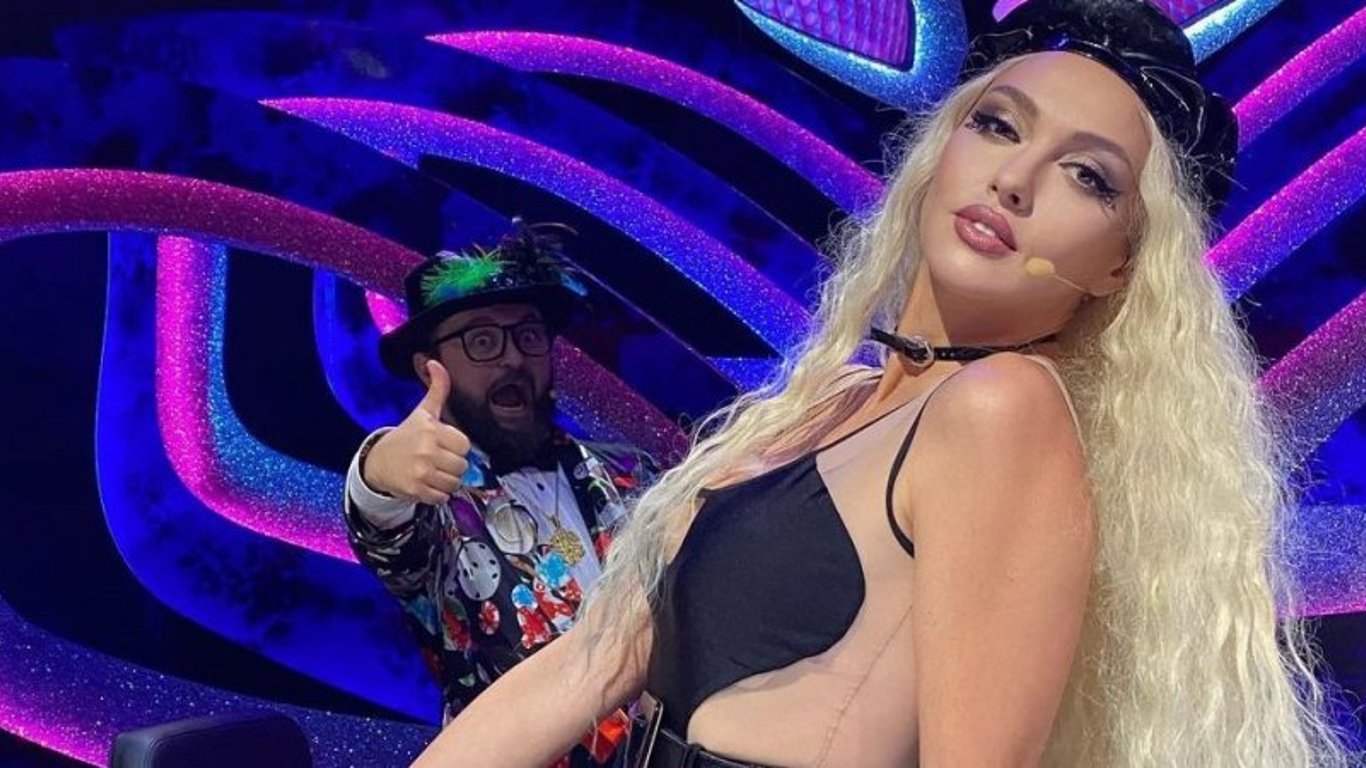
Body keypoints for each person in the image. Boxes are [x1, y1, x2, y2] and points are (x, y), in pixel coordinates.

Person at [411, 2, 1352, 766]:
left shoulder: (1002, 409)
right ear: (940, 151)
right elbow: (594, 662)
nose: (1015, 179)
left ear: (1120, 267)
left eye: (1087, 177)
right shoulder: (833, 404)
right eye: (997, 125)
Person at [344, 219, 654, 767]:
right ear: (429, 369)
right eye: (482, 340)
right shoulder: (434, 500)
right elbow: (386, 531)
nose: (513, 359)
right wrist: (379, 466)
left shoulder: (626, 472)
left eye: (528, 335)